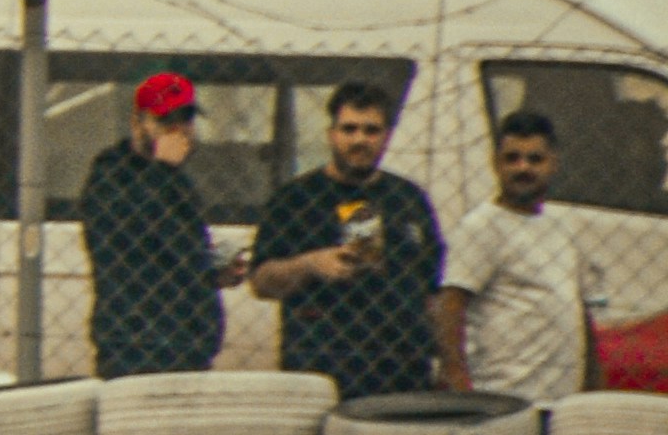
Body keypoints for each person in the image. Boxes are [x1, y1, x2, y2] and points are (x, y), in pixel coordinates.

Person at [240, 77, 447, 399]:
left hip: (401, 371)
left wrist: (445, 362)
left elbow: (433, 292)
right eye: (349, 129)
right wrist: (310, 264)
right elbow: (261, 282)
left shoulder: (409, 199)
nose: (359, 140)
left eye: (371, 130)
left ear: (387, 136)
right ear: (331, 134)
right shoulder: (295, 198)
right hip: (323, 369)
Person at [78, 70, 225, 380]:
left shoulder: (176, 180)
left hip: (188, 347)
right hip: (136, 348)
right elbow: (127, 232)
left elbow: (177, 251)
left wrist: (213, 269)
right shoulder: (111, 173)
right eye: (164, 121)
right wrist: (162, 169)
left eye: (184, 120)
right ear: (138, 123)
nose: (176, 132)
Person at [448, 108, 589, 403]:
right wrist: (459, 385)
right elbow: (449, 306)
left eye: (535, 159)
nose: (523, 168)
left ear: (553, 164)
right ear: (495, 164)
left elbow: (578, 312)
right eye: (512, 158)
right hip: (503, 399)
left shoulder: (560, 227)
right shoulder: (481, 226)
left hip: (559, 401)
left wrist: (591, 391)